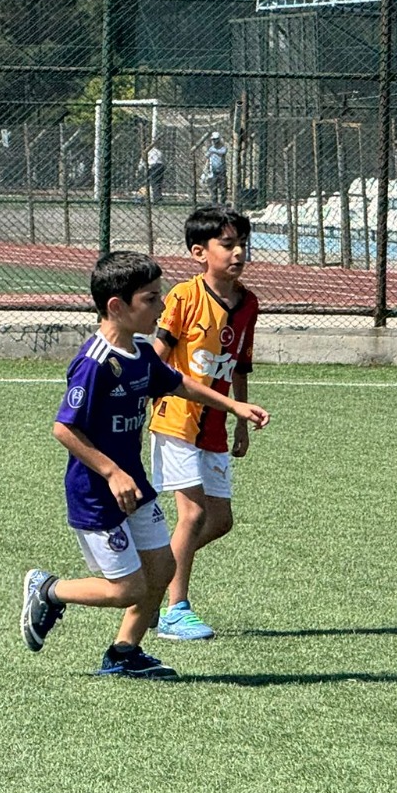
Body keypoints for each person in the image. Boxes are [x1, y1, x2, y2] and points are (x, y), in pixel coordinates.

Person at [18, 250, 269, 678]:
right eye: (151, 299)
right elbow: (64, 429)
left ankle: (123, 654)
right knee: (127, 588)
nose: (161, 306)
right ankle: (50, 589)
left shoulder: (139, 352)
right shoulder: (96, 363)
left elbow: (180, 383)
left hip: (134, 487)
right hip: (97, 494)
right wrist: (112, 472)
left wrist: (233, 406)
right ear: (117, 306)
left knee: (163, 568)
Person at [147, 206, 260, 642]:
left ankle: (155, 574)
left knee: (220, 519)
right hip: (176, 418)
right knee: (191, 514)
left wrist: (241, 420)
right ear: (199, 252)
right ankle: (175, 610)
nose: (237, 253)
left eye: (241, 245)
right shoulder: (182, 297)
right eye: (227, 245)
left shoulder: (248, 302)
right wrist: (144, 398)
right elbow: (157, 358)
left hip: (216, 425)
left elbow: (240, 366)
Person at [203, 132, 228, 205]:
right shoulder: (211, 148)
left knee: (223, 189)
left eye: (216, 139)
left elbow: (222, 152)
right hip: (213, 172)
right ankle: (214, 205)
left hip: (222, 171)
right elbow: (207, 157)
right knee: (213, 189)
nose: (214, 141)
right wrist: (205, 169)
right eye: (213, 140)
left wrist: (213, 151)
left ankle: (223, 204)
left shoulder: (222, 148)